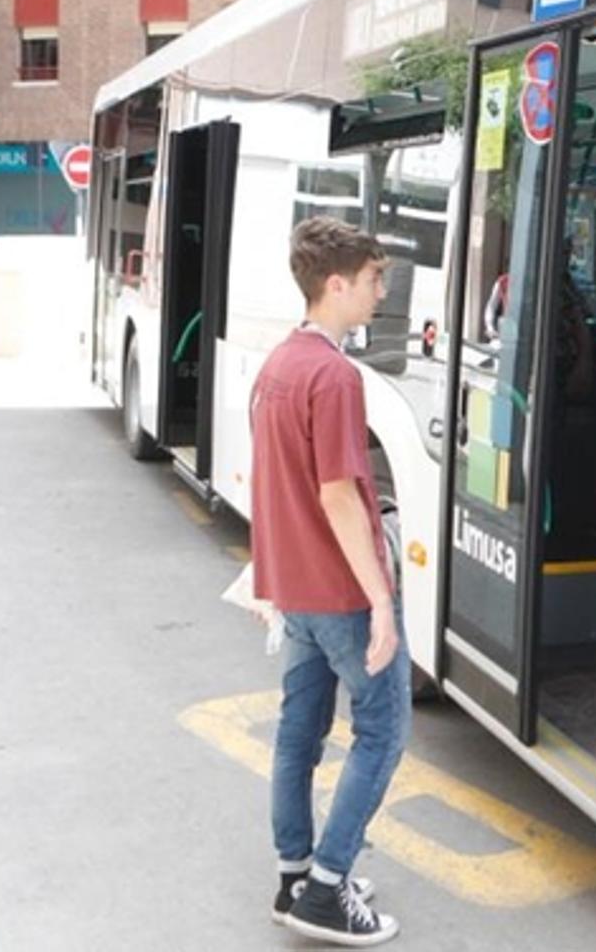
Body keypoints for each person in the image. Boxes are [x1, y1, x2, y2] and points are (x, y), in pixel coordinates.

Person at [251, 216, 406, 946]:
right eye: (375, 278)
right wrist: (381, 600)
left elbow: (271, 485)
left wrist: (266, 580)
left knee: (298, 734)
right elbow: (338, 493)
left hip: (295, 591)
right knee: (382, 732)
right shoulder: (335, 376)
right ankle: (327, 887)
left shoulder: (277, 364)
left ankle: (295, 875)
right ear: (335, 285)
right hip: (341, 593)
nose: (383, 290)